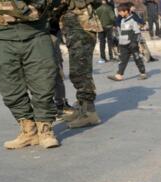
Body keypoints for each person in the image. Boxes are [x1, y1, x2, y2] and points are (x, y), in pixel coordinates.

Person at [0, 0, 60, 149]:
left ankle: (45, 130)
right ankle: (28, 130)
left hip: (36, 33)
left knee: (43, 81)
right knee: (8, 83)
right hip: (2, 36)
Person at [60, 0, 103, 128]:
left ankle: (89, 113)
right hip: (74, 28)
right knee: (77, 72)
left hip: (82, 28)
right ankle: (82, 108)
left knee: (81, 73)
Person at [108, 3, 148, 81]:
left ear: (126, 11)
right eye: (118, 12)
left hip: (132, 43)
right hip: (123, 43)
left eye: (120, 11)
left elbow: (137, 32)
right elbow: (120, 30)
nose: (119, 13)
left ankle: (143, 73)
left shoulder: (133, 20)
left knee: (137, 58)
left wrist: (135, 42)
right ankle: (119, 75)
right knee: (123, 59)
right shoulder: (122, 20)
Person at [49, 3, 74, 119]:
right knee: (53, 71)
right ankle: (56, 106)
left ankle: (59, 104)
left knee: (57, 70)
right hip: (45, 34)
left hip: (52, 32)